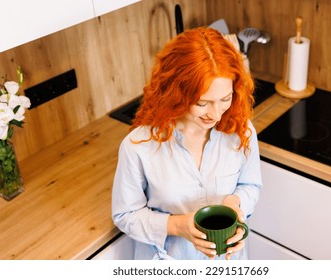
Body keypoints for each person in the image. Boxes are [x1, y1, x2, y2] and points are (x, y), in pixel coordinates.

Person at [112, 27, 262, 260]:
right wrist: (176, 226)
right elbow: (125, 215)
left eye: (225, 99)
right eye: (202, 103)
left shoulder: (242, 131)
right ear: (177, 92)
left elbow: (250, 185)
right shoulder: (139, 146)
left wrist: (235, 202)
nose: (216, 114)